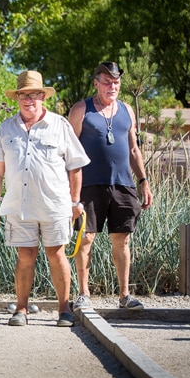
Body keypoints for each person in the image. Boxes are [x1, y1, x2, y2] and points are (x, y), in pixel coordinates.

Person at [0, 70, 91, 327]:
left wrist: (75, 202)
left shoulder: (60, 125)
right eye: (23, 95)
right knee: (25, 255)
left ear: (43, 96)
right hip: (18, 206)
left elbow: (75, 166)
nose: (28, 99)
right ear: (17, 98)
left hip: (55, 205)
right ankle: (21, 309)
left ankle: (64, 309)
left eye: (34, 94)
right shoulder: (5, 130)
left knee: (57, 255)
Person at [68, 62, 153, 311]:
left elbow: (134, 149)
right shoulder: (81, 109)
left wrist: (143, 181)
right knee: (86, 238)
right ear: (96, 83)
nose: (112, 86)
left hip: (123, 183)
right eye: (106, 82)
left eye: (116, 82)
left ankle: (124, 296)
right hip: (88, 183)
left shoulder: (126, 110)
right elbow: (68, 152)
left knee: (122, 239)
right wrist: (69, 192)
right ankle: (83, 294)